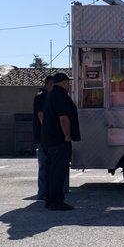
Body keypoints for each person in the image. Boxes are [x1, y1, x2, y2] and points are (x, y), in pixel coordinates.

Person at [41, 72, 80, 211]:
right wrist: (67, 135)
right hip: (59, 141)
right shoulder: (61, 95)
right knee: (59, 172)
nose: (69, 85)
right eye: (68, 83)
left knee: (51, 172)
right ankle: (57, 202)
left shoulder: (51, 94)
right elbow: (63, 118)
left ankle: (50, 200)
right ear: (64, 83)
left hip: (49, 140)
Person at [32, 75, 54, 200]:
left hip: (44, 137)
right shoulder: (42, 96)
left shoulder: (44, 95)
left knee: (47, 165)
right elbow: (41, 115)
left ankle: (47, 192)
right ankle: (43, 193)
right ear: (50, 84)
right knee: (44, 166)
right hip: (43, 138)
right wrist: (48, 132)